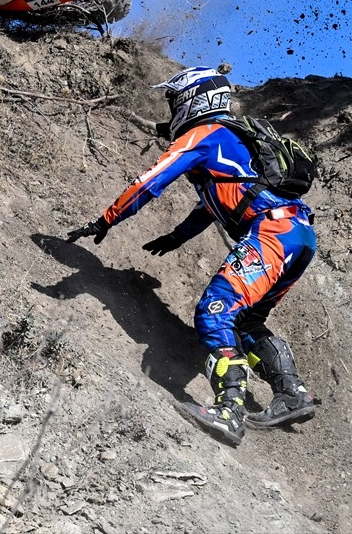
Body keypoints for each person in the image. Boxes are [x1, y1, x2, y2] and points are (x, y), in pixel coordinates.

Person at [67, 66, 317, 446]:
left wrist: (105, 220)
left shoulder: (203, 134)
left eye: (174, 99)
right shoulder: (234, 137)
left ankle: (229, 410)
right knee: (246, 322)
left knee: (214, 309)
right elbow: (220, 201)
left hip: (271, 232)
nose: (171, 107)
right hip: (299, 234)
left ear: (193, 98)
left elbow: (149, 182)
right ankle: (291, 393)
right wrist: (177, 236)